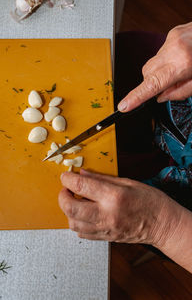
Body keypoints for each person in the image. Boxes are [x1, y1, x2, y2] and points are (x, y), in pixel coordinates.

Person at [58, 22, 192, 273]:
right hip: (179, 103)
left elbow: (164, 223)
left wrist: (161, 225)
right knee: (124, 58)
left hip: (181, 211)